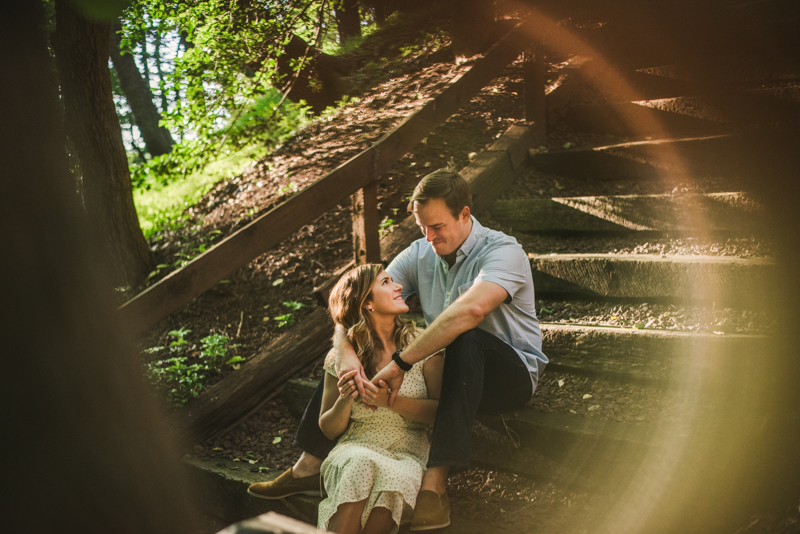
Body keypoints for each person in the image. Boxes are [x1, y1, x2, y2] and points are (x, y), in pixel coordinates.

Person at [248, 168, 547, 530]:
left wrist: (402, 362)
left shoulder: (503, 251)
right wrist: (344, 352)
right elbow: (363, 300)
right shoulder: (421, 251)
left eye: (437, 227)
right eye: (422, 226)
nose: (429, 236)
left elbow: (472, 311)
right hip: (451, 375)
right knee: (357, 349)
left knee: (465, 337)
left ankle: (435, 486)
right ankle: (309, 465)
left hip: (507, 376)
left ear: (465, 214)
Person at [310, 264, 446, 533]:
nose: (398, 287)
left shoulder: (423, 346)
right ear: (366, 303)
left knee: (391, 483)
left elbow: (441, 413)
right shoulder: (343, 359)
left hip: (408, 454)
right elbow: (328, 428)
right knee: (361, 463)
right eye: (386, 283)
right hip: (355, 448)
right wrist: (345, 399)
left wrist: (388, 401)